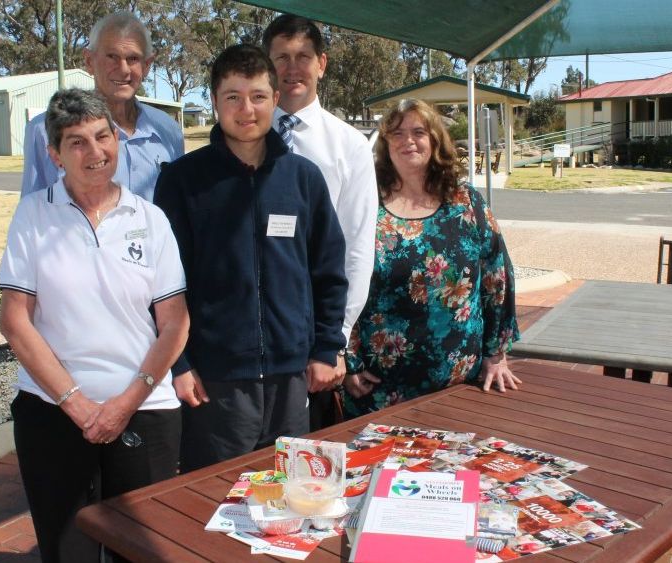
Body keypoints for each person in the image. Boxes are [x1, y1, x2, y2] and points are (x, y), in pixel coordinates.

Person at [0, 88, 189, 563]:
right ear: (54, 154)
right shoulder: (32, 216)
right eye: (76, 142)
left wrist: (125, 402)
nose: (95, 151)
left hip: (146, 410)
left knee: (144, 551)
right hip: (53, 413)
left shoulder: (151, 219)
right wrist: (77, 404)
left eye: (103, 136)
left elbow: (174, 323)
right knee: (68, 553)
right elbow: (14, 321)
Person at [154, 44, 347, 472]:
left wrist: (326, 346)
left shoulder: (303, 179)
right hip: (216, 381)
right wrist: (179, 364)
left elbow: (328, 271)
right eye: (233, 97)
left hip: (292, 378)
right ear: (215, 101)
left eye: (258, 96)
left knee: (289, 497)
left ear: (275, 100)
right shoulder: (183, 182)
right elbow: (163, 283)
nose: (247, 109)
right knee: (218, 499)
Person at [342, 99, 520, 419]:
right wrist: (349, 359)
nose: (407, 140)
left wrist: (496, 355)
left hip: (461, 385)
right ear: (385, 144)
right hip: (381, 388)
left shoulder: (466, 201)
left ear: (435, 140)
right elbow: (344, 283)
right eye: (396, 133)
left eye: (418, 131)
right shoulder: (366, 204)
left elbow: (498, 278)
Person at [262, 15, 377, 430]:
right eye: (281, 58)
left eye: (303, 57)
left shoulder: (350, 146)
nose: (292, 68)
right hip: (250, 334)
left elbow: (358, 246)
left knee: (305, 458)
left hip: (314, 331)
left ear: (322, 64)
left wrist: (335, 339)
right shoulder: (242, 138)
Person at [20, 10, 184, 201]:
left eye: (133, 59)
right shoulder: (44, 130)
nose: (123, 70)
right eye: (112, 57)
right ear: (89, 61)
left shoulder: (168, 130)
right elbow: (32, 211)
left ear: (147, 65)